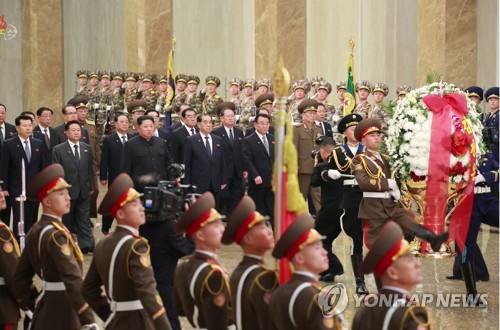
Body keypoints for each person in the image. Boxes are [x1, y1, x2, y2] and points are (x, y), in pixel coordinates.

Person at [82, 173, 171, 329]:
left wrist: (110, 316)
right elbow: (148, 293)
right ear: (121, 214)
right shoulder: (136, 246)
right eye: (135, 205)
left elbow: (88, 289)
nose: (142, 208)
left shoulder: (103, 244)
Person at [14, 164, 96, 329]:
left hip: (45, 311)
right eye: (61, 194)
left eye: (67, 193)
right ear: (46, 201)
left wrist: (36, 302)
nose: (68, 198)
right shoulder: (56, 235)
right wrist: (88, 318)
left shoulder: (36, 229)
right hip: (64, 314)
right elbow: (72, 278)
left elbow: (20, 279)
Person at [351, 118, 449, 251]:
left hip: (390, 204)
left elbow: (395, 178)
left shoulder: (386, 158)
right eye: (371, 135)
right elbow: (364, 183)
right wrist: (388, 184)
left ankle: (433, 239)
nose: (376, 138)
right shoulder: (359, 159)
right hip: (373, 207)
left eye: (378, 135)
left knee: (408, 220)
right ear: (363, 141)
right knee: (377, 244)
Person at [135, 173, 195, 330]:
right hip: (164, 290)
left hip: (140, 289)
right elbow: (188, 249)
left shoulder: (137, 224)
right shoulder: (169, 228)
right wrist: (190, 224)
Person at [269, 213, 343, 330]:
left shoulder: (278, 293)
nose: (324, 252)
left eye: (322, 247)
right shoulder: (317, 298)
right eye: (316, 247)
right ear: (299, 258)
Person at [352, 222, 430, 329]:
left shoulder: (365, 309)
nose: (417, 264)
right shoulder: (411, 315)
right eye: (409, 260)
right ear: (392, 273)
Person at [173, 192, 234, 329]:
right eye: (216, 225)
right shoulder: (214, 274)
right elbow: (218, 323)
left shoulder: (183, 267)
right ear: (200, 235)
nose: (222, 229)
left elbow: (180, 309)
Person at [221, 196, 278, 330]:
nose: (269, 232)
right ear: (248, 239)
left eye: (267, 226)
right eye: (262, 227)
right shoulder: (263, 278)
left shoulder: (240, 272)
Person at [451, 152, 498, 307]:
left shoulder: (485, 154)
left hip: (486, 201)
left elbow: (497, 171)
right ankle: (471, 294)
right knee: (466, 245)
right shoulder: (456, 155)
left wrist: (484, 178)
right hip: (467, 205)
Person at [0, 115, 47, 240]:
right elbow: (4, 167)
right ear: (17, 128)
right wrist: (3, 187)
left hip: (34, 189)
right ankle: (18, 243)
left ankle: (31, 243)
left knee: (32, 217)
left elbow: (43, 167)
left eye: (30, 126)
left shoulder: (38, 144)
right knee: (19, 218)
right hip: (16, 188)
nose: (28, 128)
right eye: (24, 126)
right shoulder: (9, 144)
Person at [52, 120, 96, 254]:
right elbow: (56, 171)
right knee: (67, 220)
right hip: (67, 191)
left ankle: (86, 245)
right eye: (73, 130)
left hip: (83, 189)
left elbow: (90, 169)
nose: (77, 132)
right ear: (66, 132)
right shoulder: (58, 149)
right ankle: (64, 243)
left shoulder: (86, 148)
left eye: (78, 130)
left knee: (84, 219)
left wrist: (92, 185)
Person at [310, 137, 345, 283]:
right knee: (327, 240)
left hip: (329, 210)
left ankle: (335, 267)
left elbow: (314, 183)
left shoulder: (322, 167)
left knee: (316, 239)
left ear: (323, 151)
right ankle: (327, 271)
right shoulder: (345, 164)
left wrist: (316, 165)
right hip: (343, 208)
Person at [183, 114, 227, 208]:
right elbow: (187, 164)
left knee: (214, 209)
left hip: (215, 183)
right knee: (200, 211)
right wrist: (187, 185)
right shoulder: (191, 140)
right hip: (198, 184)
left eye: (210, 122)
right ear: (198, 124)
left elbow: (222, 161)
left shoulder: (218, 140)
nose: (208, 125)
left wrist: (223, 180)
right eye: (205, 122)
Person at [99, 113, 133, 235]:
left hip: (130, 177)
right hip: (115, 177)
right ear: (116, 124)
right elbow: (104, 160)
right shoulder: (109, 140)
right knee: (113, 202)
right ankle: (106, 228)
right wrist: (103, 177)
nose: (124, 124)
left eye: (126, 122)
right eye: (122, 122)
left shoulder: (132, 138)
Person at [212, 102, 245, 218]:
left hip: (237, 170)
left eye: (232, 115)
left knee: (236, 197)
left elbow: (242, 152)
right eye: (228, 116)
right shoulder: (216, 133)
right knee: (222, 197)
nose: (231, 118)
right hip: (224, 171)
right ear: (221, 118)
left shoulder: (239, 131)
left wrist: (244, 169)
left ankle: (232, 221)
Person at [121, 110, 173, 181]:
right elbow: (125, 169)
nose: (149, 129)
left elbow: (168, 163)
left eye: (151, 126)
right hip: (140, 185)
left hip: (160, 183)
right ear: (139, 128)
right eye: (145, 127)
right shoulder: (130, 145)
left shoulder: (161, 142)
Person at [242, 113, 275, 226]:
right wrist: (255, 175)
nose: (265, 126)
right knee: (258, 212)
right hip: (258, 182)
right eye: (261, 123)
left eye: (267, 124)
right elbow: (247, 160)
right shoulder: (248, 140)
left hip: (272, 182)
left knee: (273, 212)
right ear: (255, 125)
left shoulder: (272, 139)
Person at [0, 182, 24, 330]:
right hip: (4, 306)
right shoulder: (2, 232)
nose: (2, 195)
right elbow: (12, 272)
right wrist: (26, 301)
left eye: (1, 190)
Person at [293, 99, 322, 213]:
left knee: (319, 200)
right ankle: (297, 225)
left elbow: (321, 149)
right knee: (300, 199)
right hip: (302, 170)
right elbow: (294, 150)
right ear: (303, 115)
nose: (312, 115)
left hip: (316, 170)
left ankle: (322, 225)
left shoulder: (319, 129)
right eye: (309, 113)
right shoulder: (297, 130)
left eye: (314, 113)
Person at [484, 87, 499, 162]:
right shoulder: (487, 116)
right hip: (489, 151)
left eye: (495, 100)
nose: (492, 102)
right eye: (490, 100)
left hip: (497, 151)